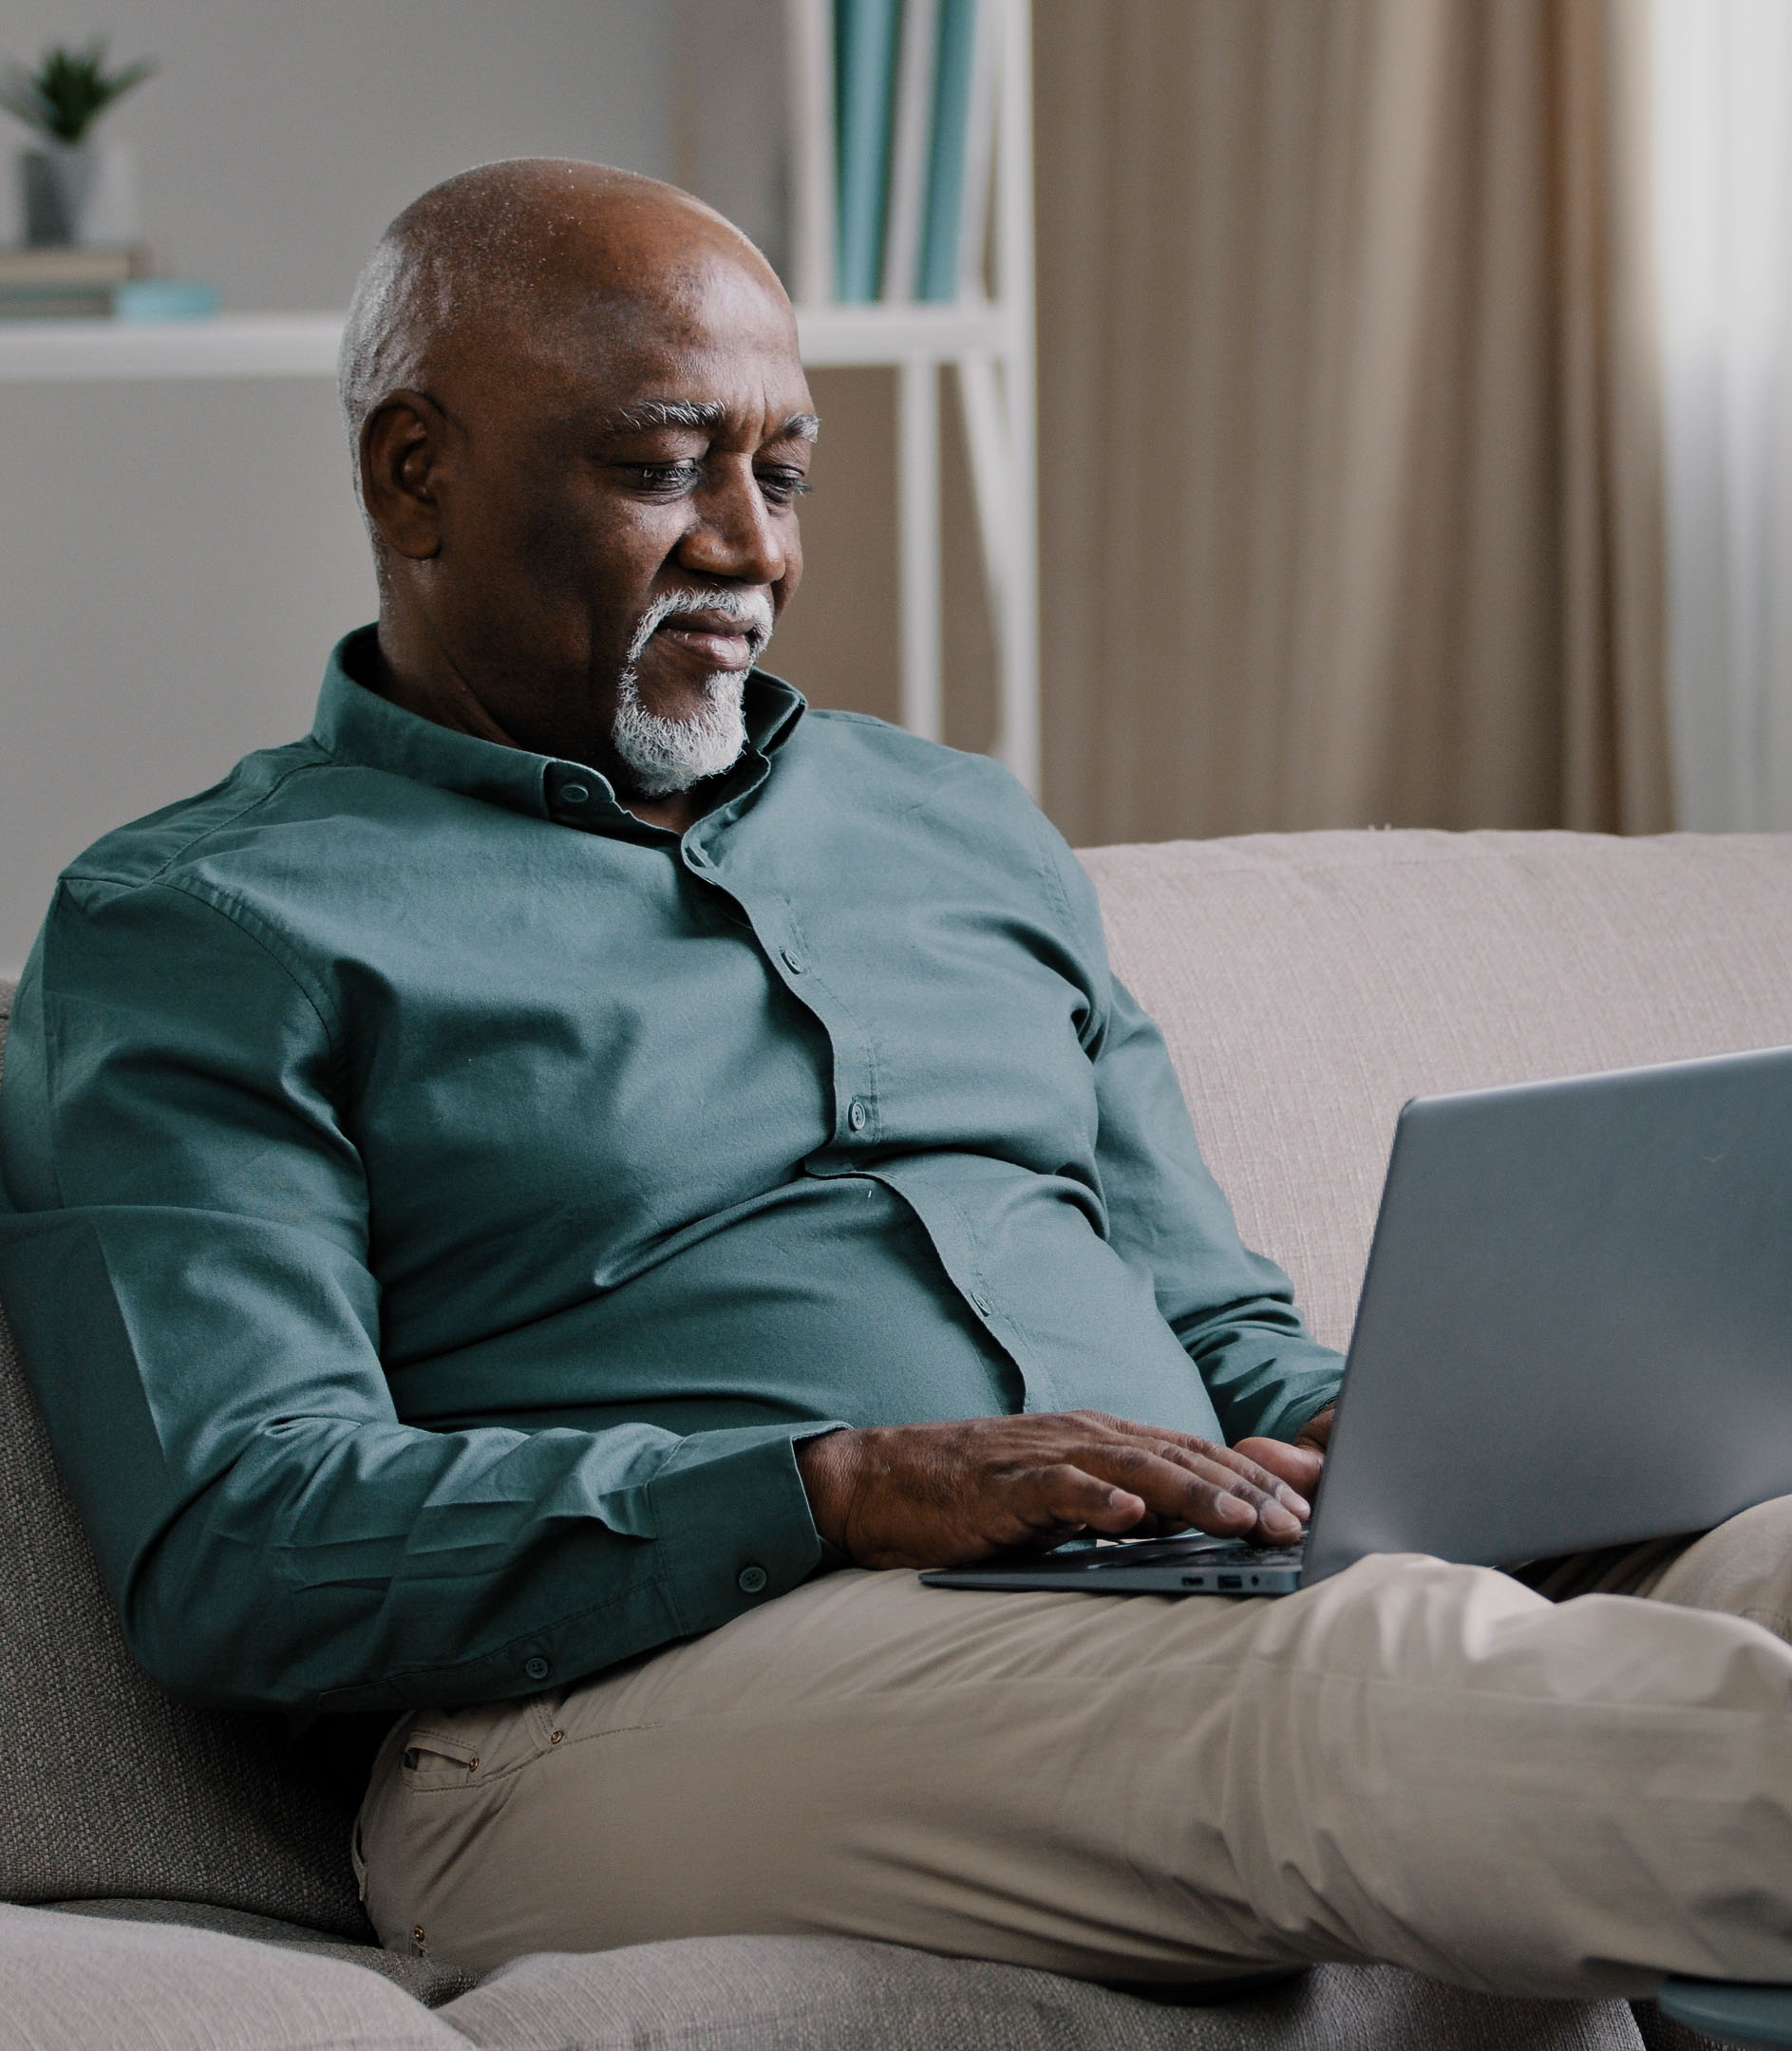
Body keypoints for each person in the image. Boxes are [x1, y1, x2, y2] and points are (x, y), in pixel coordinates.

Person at [3, 158, 1792, 2002]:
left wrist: (1404, 1434)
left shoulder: (954, 829)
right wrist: (835, 1485)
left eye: (778, 474)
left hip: (1181, 1601)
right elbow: (241, 1536)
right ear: (415, 473)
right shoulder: (203, 924)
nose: (752, 548)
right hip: (600, 1731)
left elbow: (1206, 1317)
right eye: (657, 465)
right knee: (1372, 1680)